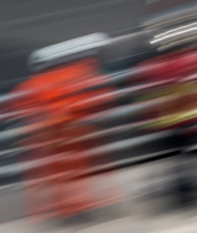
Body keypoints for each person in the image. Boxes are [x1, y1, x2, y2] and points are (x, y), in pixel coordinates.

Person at [10, 34, 117, 223]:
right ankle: (82, 209)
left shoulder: (30, 85)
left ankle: (70, 212)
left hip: (50, 140)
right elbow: (103, 95)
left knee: (59, 178)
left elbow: (16, 110)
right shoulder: (79, 73)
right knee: (80, 172)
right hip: (75, 136)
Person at [136, 17, 197, 211]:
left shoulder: (153, 66)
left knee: (178, 164)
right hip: (196, 121)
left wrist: (151, 123)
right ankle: (194, 196)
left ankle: (185, 198)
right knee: (195, 163)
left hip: (170, 124)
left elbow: (149, 98)